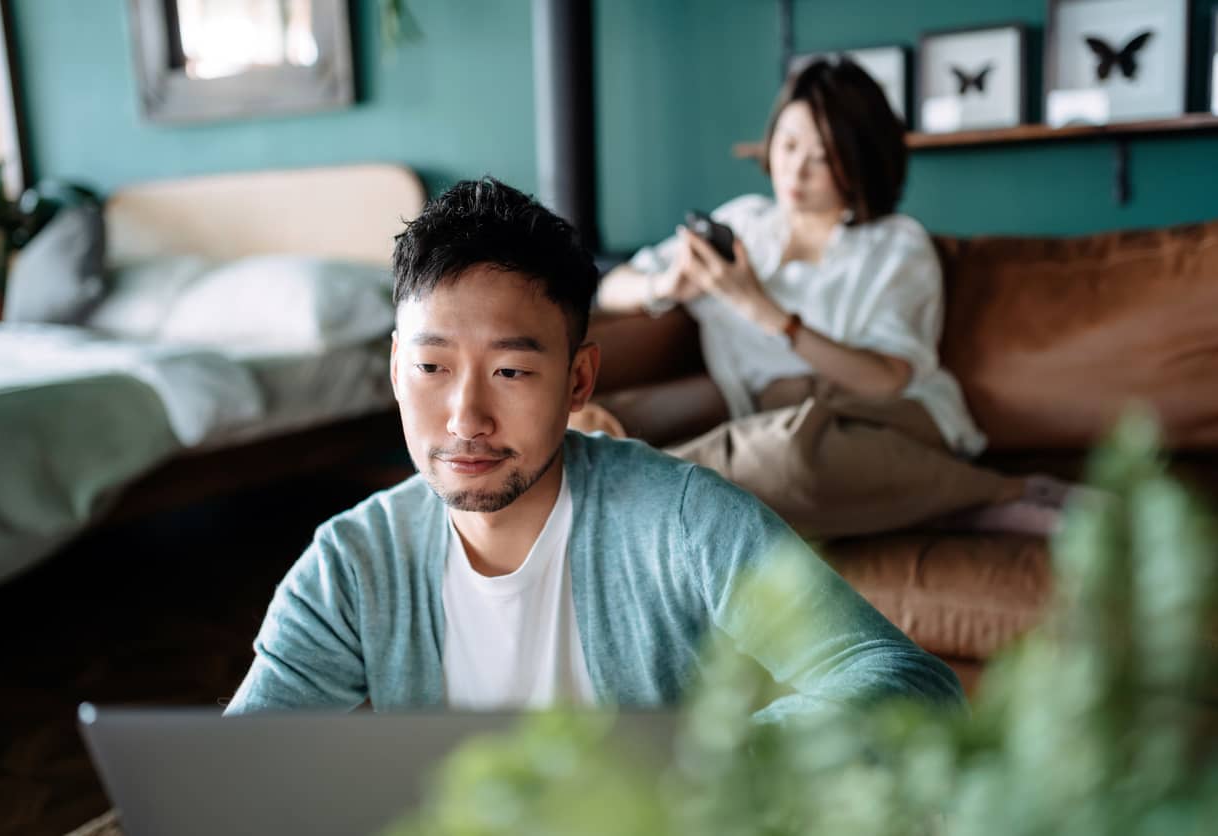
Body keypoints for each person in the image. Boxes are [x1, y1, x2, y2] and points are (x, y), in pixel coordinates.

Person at [226, 177, 962, 718]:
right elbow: (239, 773)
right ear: (395, 370)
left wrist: (698, 770)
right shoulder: (353, 564)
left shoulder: (681, 520)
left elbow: (910, 684)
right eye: (431, 368)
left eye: (511, 371)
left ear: (578, 380)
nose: (466, 417)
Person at [589, 57, 1074, 538]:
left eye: (821, 156)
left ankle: (622, 479)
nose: (797, 169)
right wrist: (665, 286)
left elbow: (885, 380)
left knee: (793, 459)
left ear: (858, 159)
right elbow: (610, 288)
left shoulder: (897, 245)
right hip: (771, 421)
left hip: (884, 418)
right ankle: (950, 503)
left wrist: (764, 311)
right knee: (774, 446)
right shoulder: (744, 224)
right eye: (789, 143)